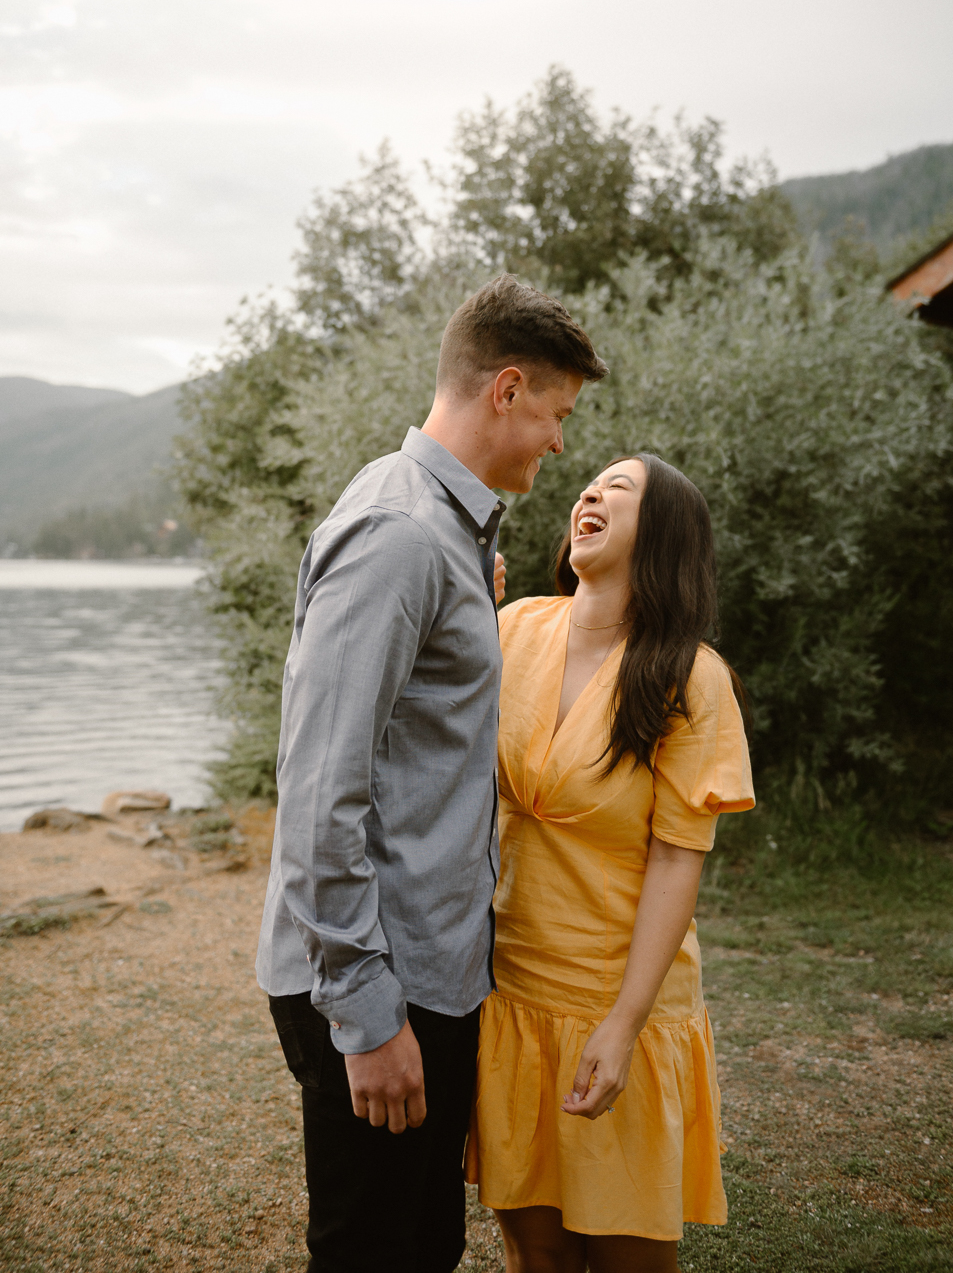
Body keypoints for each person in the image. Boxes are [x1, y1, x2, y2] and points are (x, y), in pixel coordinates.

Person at [255, 274, 608, 1273]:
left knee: (422, 1248)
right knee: (375, 1254)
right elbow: (322, 792)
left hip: (431, 971)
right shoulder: (402, 536)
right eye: (555, 412)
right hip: (379, 977)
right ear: (506, 389)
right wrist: (365, 1015)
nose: (557, 441)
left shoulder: (444, 535)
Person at [465, 453, 755, 1272]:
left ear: (659, 534)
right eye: (588, 485)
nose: (588, 492)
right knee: (537, 1256)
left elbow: (675, 860)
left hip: (618, 998)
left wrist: (624, 1025)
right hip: (511, 989)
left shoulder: (689, 677)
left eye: (617, 489)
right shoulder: (513, 625)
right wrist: (458, 605)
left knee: (629, 1254)